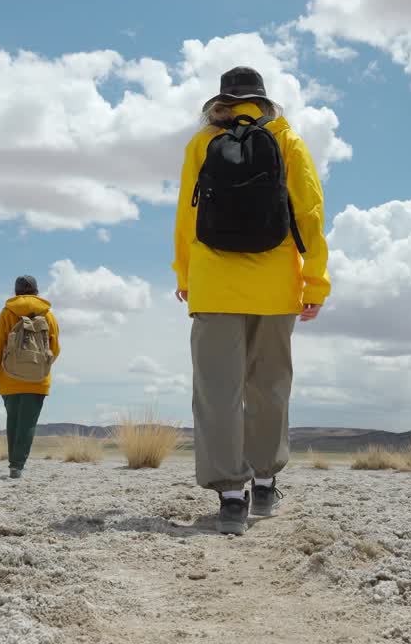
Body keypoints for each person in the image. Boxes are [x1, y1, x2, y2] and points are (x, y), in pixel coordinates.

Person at [173, 66, 330, 535]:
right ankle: (264, 484)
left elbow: (187, 215)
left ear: (222, 100)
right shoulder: (288, 140)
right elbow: (310, 215)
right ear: (263, 100)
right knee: (270, 385)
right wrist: (315, 283)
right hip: (277, 285)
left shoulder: (201, 144)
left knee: (218, 390)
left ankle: (230, 496)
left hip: (215, 283)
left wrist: (186, 276)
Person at [0, 275, 61, 479]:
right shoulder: (48, 315)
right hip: (38, 380)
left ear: (16, 292)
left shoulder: (7, 313)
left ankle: (13, 465)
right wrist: (40, 366)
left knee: (13, 421)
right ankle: (17, 466)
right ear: (36, 292)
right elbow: (55, 348)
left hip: (9, 378)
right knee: (28, 423)